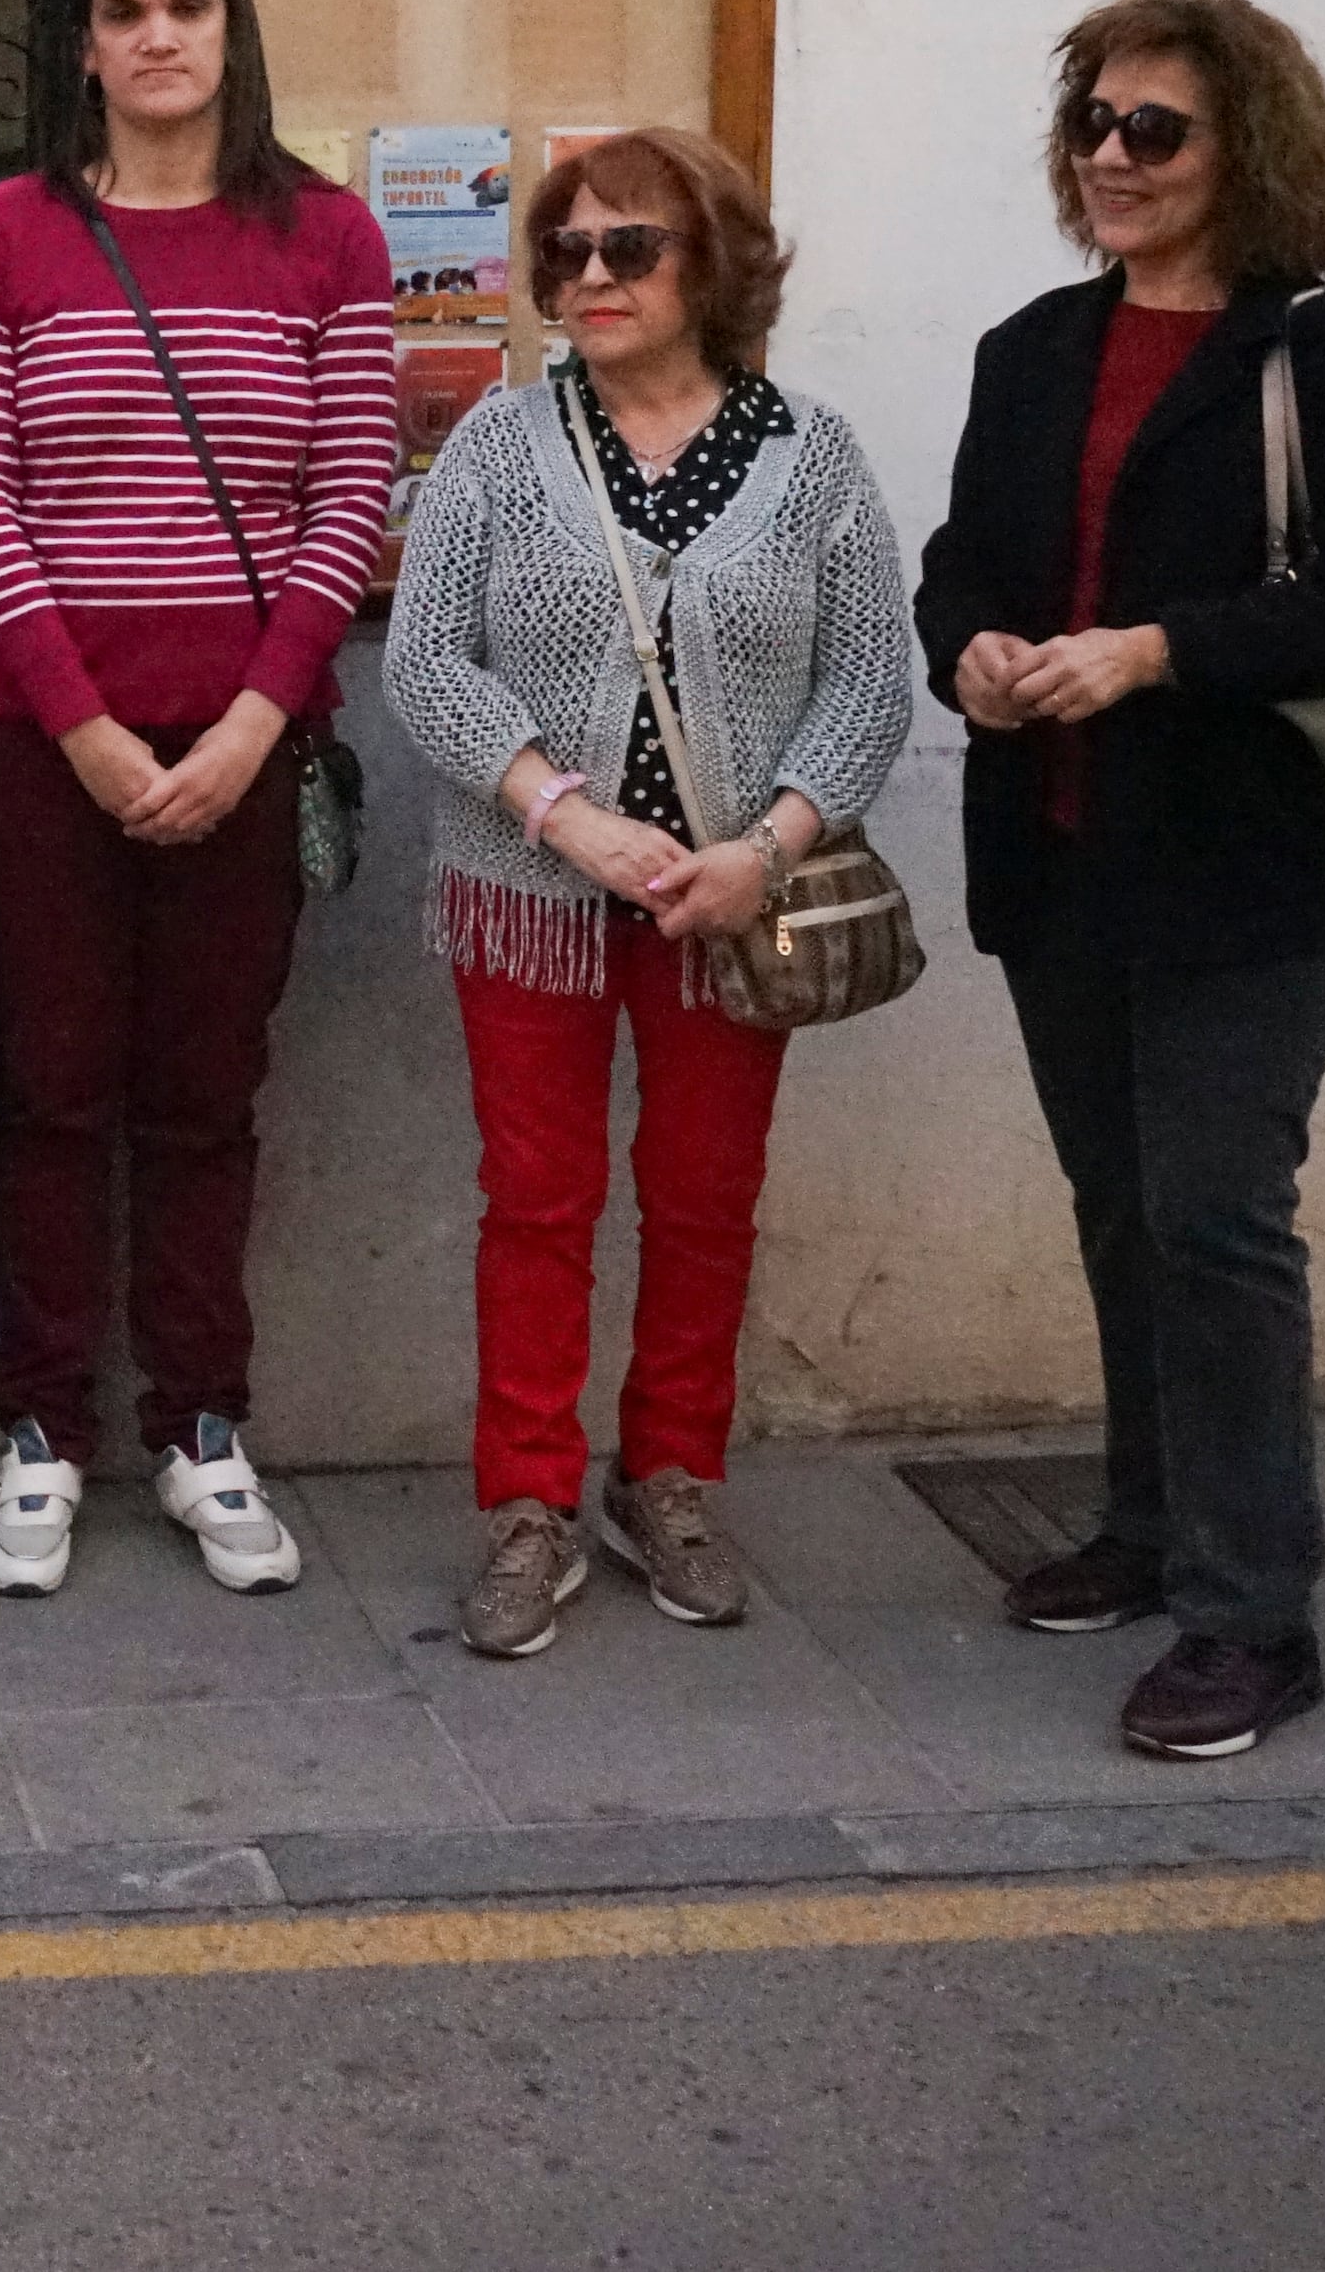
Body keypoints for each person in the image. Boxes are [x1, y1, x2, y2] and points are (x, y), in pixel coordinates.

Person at [915, 0, 1325, 1762]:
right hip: (1066, 850)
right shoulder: (1034, 345)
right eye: (1097, 126)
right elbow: (961, 563)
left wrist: (1157, 650)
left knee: (1220, 1216)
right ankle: (1152, 1527)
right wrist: (976, 654)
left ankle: (1252, 1613)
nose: (1114, 158)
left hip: (1256, 870)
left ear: (1253, 155)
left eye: (1159, 130)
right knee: (1122, 1206)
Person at [386, 131, 912, 1659]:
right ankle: (526, 1501)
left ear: (717, 265)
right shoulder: (499, 444)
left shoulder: (810, 456)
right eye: (568, 250)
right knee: (537, 1202)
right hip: (531, 888)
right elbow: (428, 659)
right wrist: (567, 815)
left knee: (703, 1203)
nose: (590, 276)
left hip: (735, 901)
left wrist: (768, 846)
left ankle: (671, 1476)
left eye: (631, 247)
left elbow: (869, 681)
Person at [0, 0, 393, 1600]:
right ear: (83, 45)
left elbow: (349, 500)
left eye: (188, 5)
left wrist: (257, 718)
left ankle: (203, 1422)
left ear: (231, 29)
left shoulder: (328, 239)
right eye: (121, 9)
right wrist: (96, 733)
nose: (157, 37)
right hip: (41, 747)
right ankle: (40, 1430)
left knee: (206, 1102)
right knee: (53, 1092)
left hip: (253, 739)